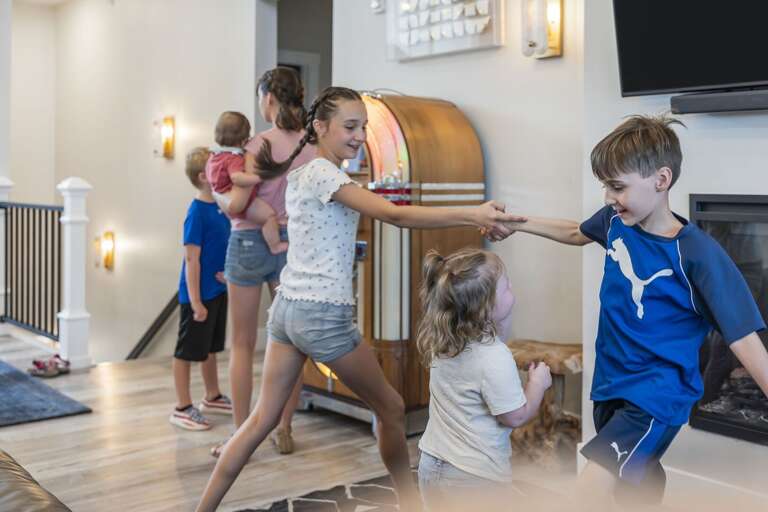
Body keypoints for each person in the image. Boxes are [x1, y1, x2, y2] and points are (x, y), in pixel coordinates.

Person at [195, 86, 518, 512]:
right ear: (319, 126)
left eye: (364, 127)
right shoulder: (324, 174)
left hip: (288, 310)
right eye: (350, 127)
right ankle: (411, 503)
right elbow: (394, 214)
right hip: (321, 316)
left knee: (260, 420)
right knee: (392, 407)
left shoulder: (306, 173)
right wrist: (473, 213)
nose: (360, 136)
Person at [494, 115, 768, 507]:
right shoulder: (616, 222)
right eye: (606, 186)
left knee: (592, 485)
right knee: (635, 486)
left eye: (618, 186)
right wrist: (517, 223)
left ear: (661, 179)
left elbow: (742, 338)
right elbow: (574, 232)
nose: (608, 196)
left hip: (656, 395)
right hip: (611, 383)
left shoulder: (697, 255)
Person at [212, 67, 316, 458]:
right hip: (293, 244)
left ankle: (241, 436)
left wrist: (216, 195)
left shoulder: (255, 146)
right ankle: (284, 428)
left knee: (242, 343)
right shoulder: (311, 145)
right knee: (291, 341)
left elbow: (237, 204)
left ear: (268, 98)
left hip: (247, 242)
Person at [415, 248, 552, 511]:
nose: (512, 288)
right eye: (506, 286)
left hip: (431, 464)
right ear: (485, 308)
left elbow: (495, 334)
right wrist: (537, 384)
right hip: (473, 477)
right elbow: (515, 417)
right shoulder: (494, 357)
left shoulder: (444, 341)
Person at [170, 147, 232, 431]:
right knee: (187, 352)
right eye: (215, 165)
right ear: (203, 177)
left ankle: (212, 396)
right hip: (198, 295)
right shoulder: (196, 213)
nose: (223, 168)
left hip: (217, 290)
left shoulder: (221, 206)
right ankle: (182, 407)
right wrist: (195, 301)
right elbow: (191, 259)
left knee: (210, 348)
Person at [206, 111, 287, 255]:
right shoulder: (233, 158)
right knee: (269, 216)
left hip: (226, 198)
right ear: (244, 139)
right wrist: (259, 177)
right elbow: (237, 178)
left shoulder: (215, 155)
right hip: (242, 203)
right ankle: (275, 245)